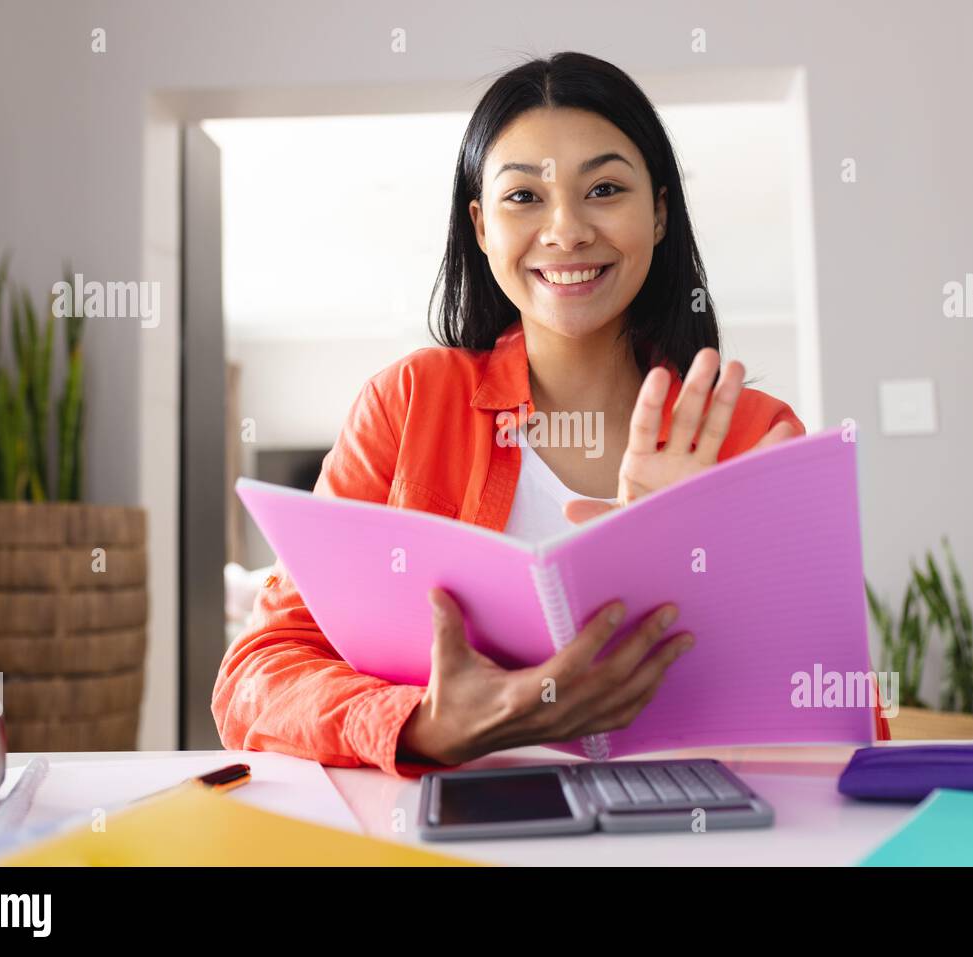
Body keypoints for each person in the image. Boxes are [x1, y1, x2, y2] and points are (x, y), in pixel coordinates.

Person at [212, 51, 810, 777]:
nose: (566, 231)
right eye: (525, 198)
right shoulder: (406, 404)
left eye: (606, 188)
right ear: (481, 225)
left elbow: (837, 710)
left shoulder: (750, 433)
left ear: (657, 211)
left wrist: (696, 570)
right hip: (451, 832)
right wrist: (423, 725)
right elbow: (254, 673)